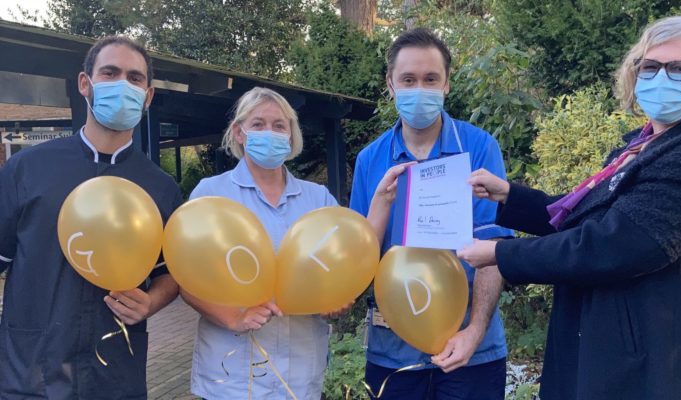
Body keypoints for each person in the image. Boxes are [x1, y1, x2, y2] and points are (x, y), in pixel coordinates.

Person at [457, 15, 681, 400]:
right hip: (628, 350)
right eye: (650, 66)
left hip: (668, 369)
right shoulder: (643, 145)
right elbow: (591, 217)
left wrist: (500, 253)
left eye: (679, 68)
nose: (660, 77)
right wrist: (511, 197)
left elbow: (610, 246)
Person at [0, 36, 182, 399]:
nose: (123, 85)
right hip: (30, 374)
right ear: (86, 84)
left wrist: (152, 302)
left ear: (147, 97)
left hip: (115, 375)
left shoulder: (161, 189)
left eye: (135, 78)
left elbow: (171, 274)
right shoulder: (27, 168)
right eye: (110, 73)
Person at [350, 28, 512, 399]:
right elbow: (358, 260)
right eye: (408, 80)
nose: (419, 89)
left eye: (430, 79)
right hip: (393, 353)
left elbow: (494, 247)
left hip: (470, 352)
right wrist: (380, 207)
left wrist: (474, 332)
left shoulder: (478, 148)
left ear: (446, 85)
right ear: (390, 85)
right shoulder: (370, 160)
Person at [184, 87, 348, 399]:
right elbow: (187, 281)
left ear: (290, 135)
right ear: (239, 132)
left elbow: (339, 269)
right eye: (258, 124)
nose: (269, 133)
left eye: (279, 125)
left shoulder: (319, 199)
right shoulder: (211, 196)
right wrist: (234, 317)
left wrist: (336, 300)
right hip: (231, 376)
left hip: (300, 374)